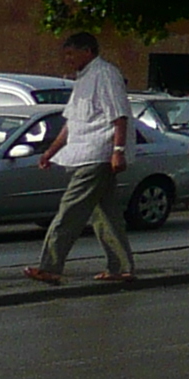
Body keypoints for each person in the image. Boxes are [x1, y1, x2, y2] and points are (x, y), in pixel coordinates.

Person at [26, 32, 136, 285]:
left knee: (70, 210)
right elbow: (71, 123)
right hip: (83, 152)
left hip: (98, 153)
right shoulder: (83, 79)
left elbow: (119, 115)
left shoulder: (105, 75)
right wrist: (50, 152)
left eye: (71, 53)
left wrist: (118, 151)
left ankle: (50, 266)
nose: (67, 59)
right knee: (105, 214)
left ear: (87, 51)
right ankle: (121, 268)